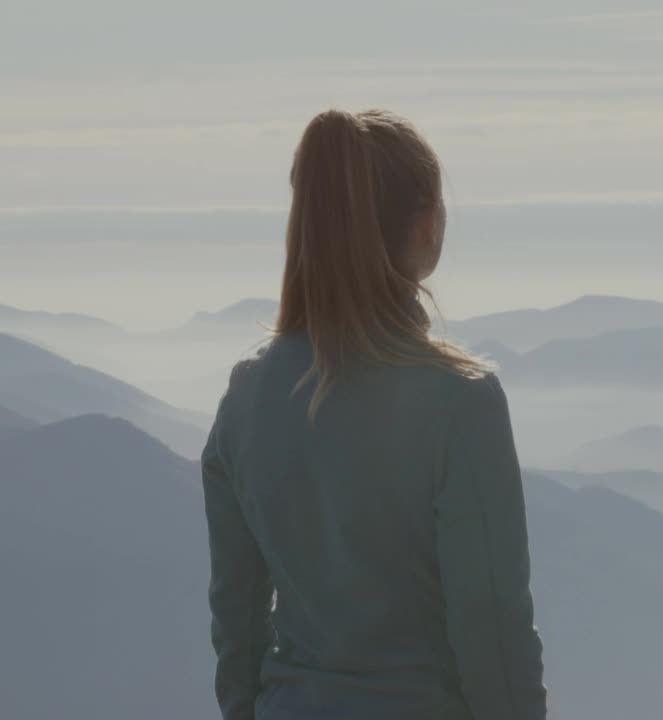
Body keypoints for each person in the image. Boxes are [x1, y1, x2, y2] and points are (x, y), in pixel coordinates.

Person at [200, 109, 547, 720]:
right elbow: (493, 632)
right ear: (423, 227)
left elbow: (239, 618)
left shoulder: (246, 397)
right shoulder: (460, 401)